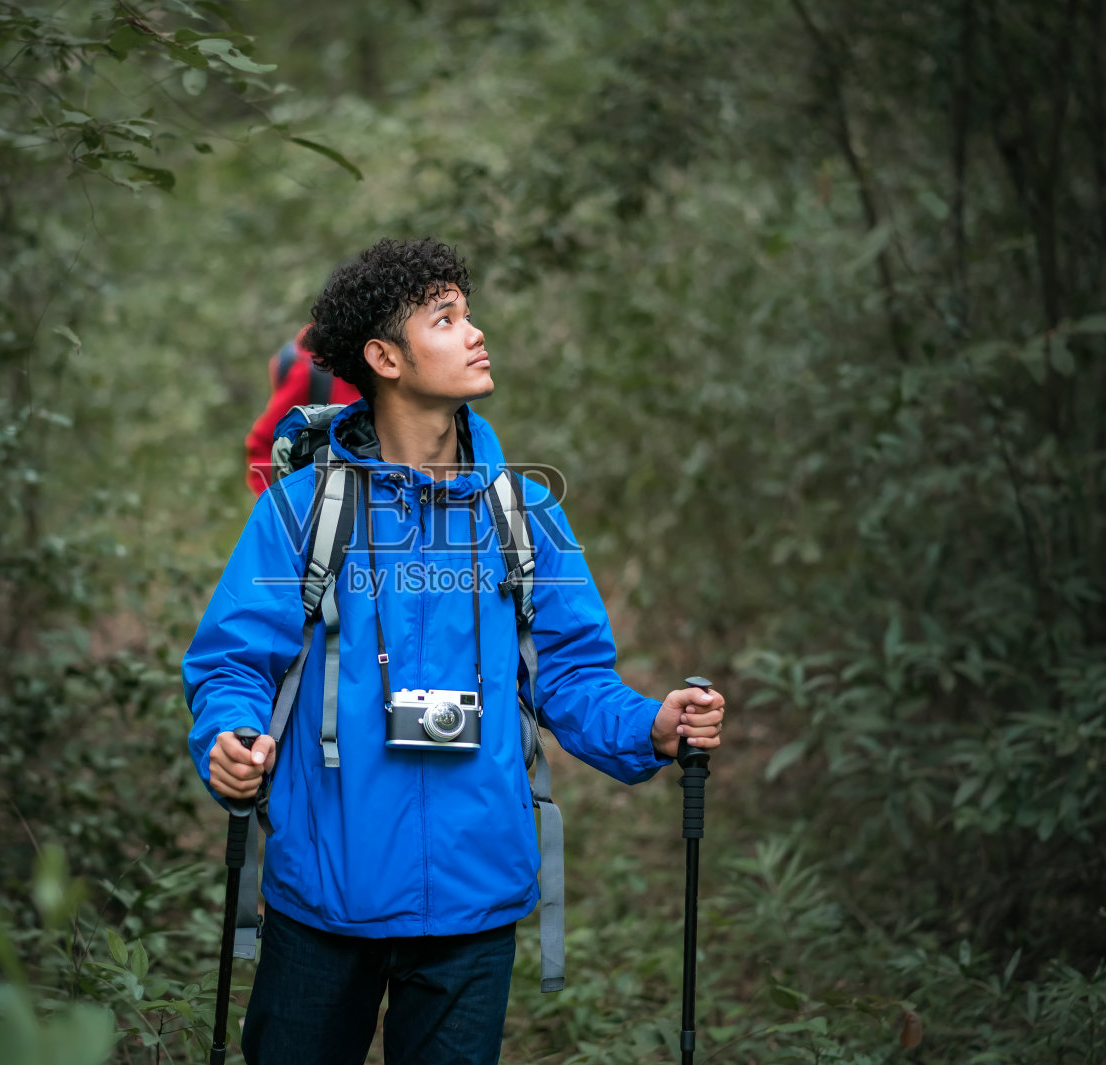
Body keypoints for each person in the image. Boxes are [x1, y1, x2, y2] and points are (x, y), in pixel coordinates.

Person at [184, 238, 727, 1065]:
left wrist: (652, 724)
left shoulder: (526, 513)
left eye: (468, 314)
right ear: (384, 357)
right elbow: (233, 665)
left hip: (474, 899)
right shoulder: (302, 512)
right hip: (325, 892)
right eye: (446, 319)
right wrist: (227, 735)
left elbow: (572, 677)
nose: (475, 333)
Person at [244, 325, 361, 495]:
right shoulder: (315, 373)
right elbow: (263, 443)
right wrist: (281, 507)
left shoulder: (397, 375)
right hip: (320, 509)